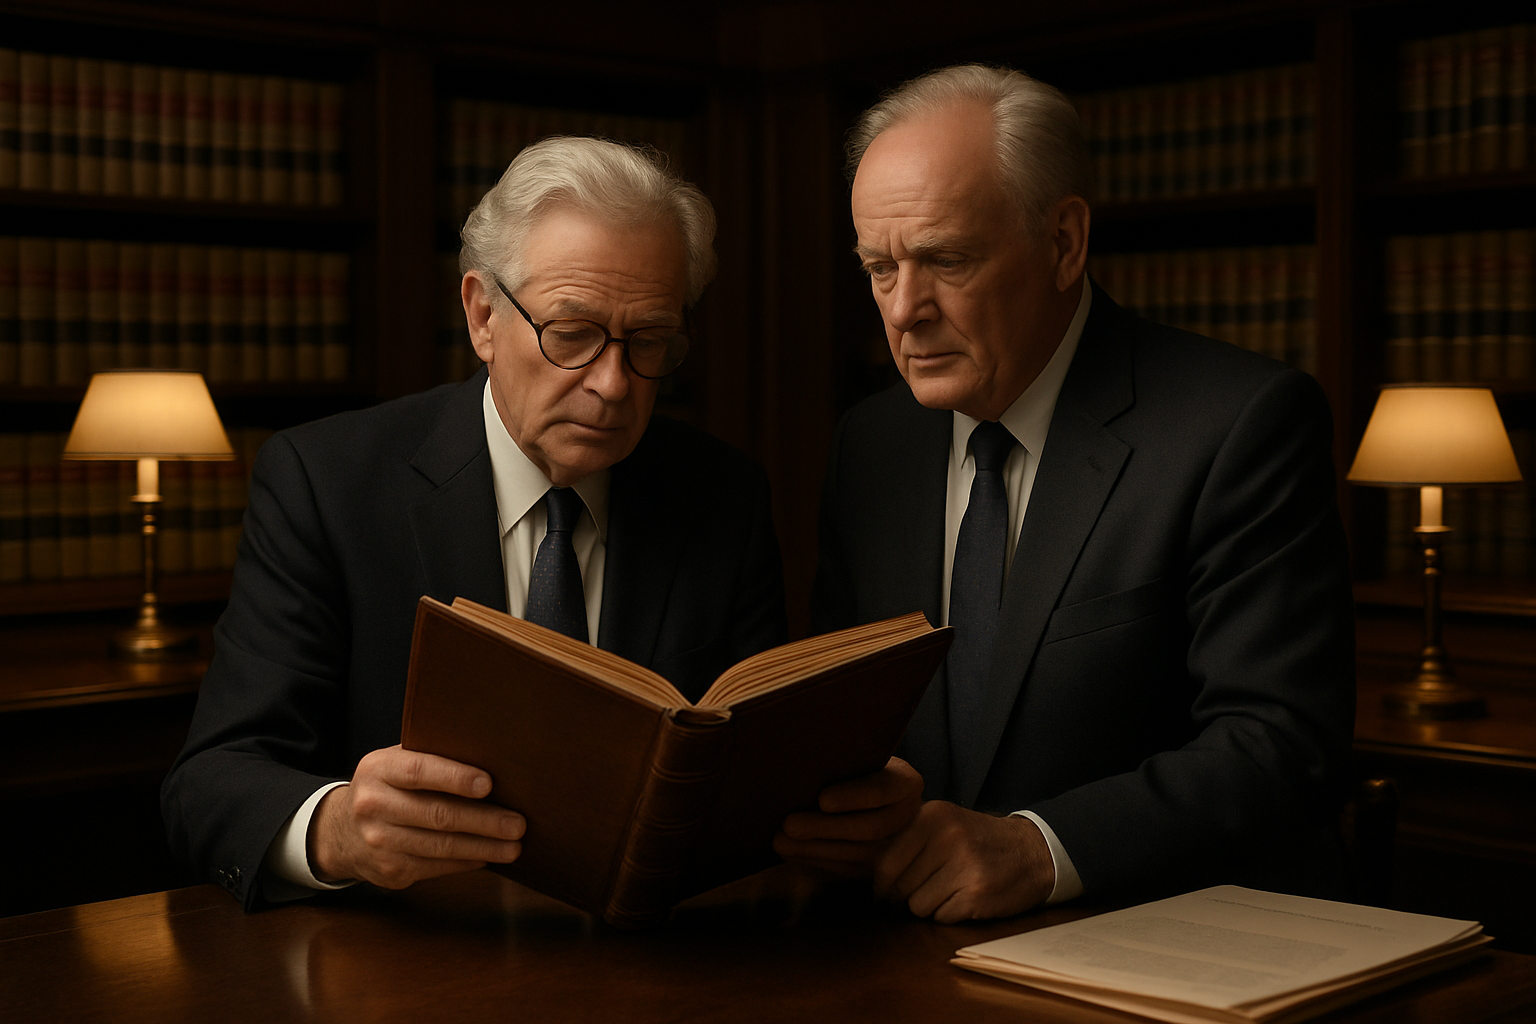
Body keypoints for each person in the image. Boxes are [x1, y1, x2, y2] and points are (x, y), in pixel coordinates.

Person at [775, 65, 1356, 923]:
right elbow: (845, 715)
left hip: (1158, 940)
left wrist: (1038, 849)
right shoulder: (871, 444)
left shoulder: (1240, 423)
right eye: (880, 267)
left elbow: (1280, 743)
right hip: (905, 944)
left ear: (1063, 243)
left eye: (945, 260)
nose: (903, 310)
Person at [164, 137, 805, 909]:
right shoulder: (326, 483)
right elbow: (211, 783)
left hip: (658, 949)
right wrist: (337, 830)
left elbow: (761, 768)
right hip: (407, 948)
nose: (612, 384)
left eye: (648, 342)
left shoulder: (723, 496)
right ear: (482, 316)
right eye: (571, 333)